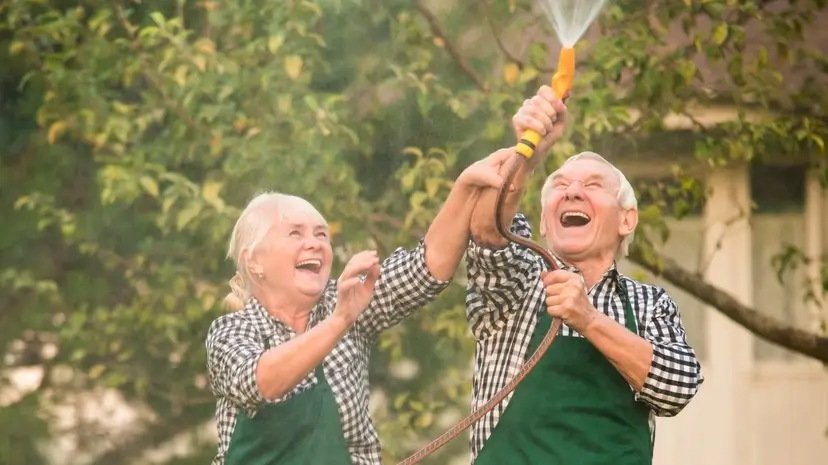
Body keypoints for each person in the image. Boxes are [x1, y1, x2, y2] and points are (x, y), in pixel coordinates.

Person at [204, 149, 516, 465]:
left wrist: (464, 187)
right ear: (254, 260)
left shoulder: (348, 300)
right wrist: (340, 321)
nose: (314, 243)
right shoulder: (232, 331)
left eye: (321, 234)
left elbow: (428, 266)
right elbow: (262, 382)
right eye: (295, 233)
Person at [463, 86, 704, 464]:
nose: (573, 192)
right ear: (544, 220)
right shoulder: (519, 283)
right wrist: (530, 153)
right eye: (559, 185)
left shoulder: (649, 304)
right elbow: (488, 233)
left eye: (592, 185)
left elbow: (677, 388)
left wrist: (587, 318)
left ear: (627, 219)